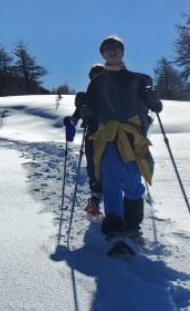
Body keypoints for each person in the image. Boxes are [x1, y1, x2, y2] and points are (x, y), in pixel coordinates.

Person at [78, 35, 162, 239]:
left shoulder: (138, 79)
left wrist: (153, 98)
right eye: (108, 48)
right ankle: (114, 224)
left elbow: (156, 107)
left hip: (131, 137)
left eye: (116, 48)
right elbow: (90, 111)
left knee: (133, 181)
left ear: (122, 52)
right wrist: (82, 107)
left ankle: (132, 225)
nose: (112, 51)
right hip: (107, 138)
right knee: (111, 182)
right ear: (103, 54)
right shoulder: (96, 83)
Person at [64, 64, 106, 216]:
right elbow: (76, 116)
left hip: (113, 136)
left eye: (100, 75)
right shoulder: (86, 98)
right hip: (92, 137)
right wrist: (71, 123)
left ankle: (119, 198)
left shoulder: (114, 94)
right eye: (95, 76)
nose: (97, 79)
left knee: (111, 166)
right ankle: (95, 198)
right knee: (93, 167)